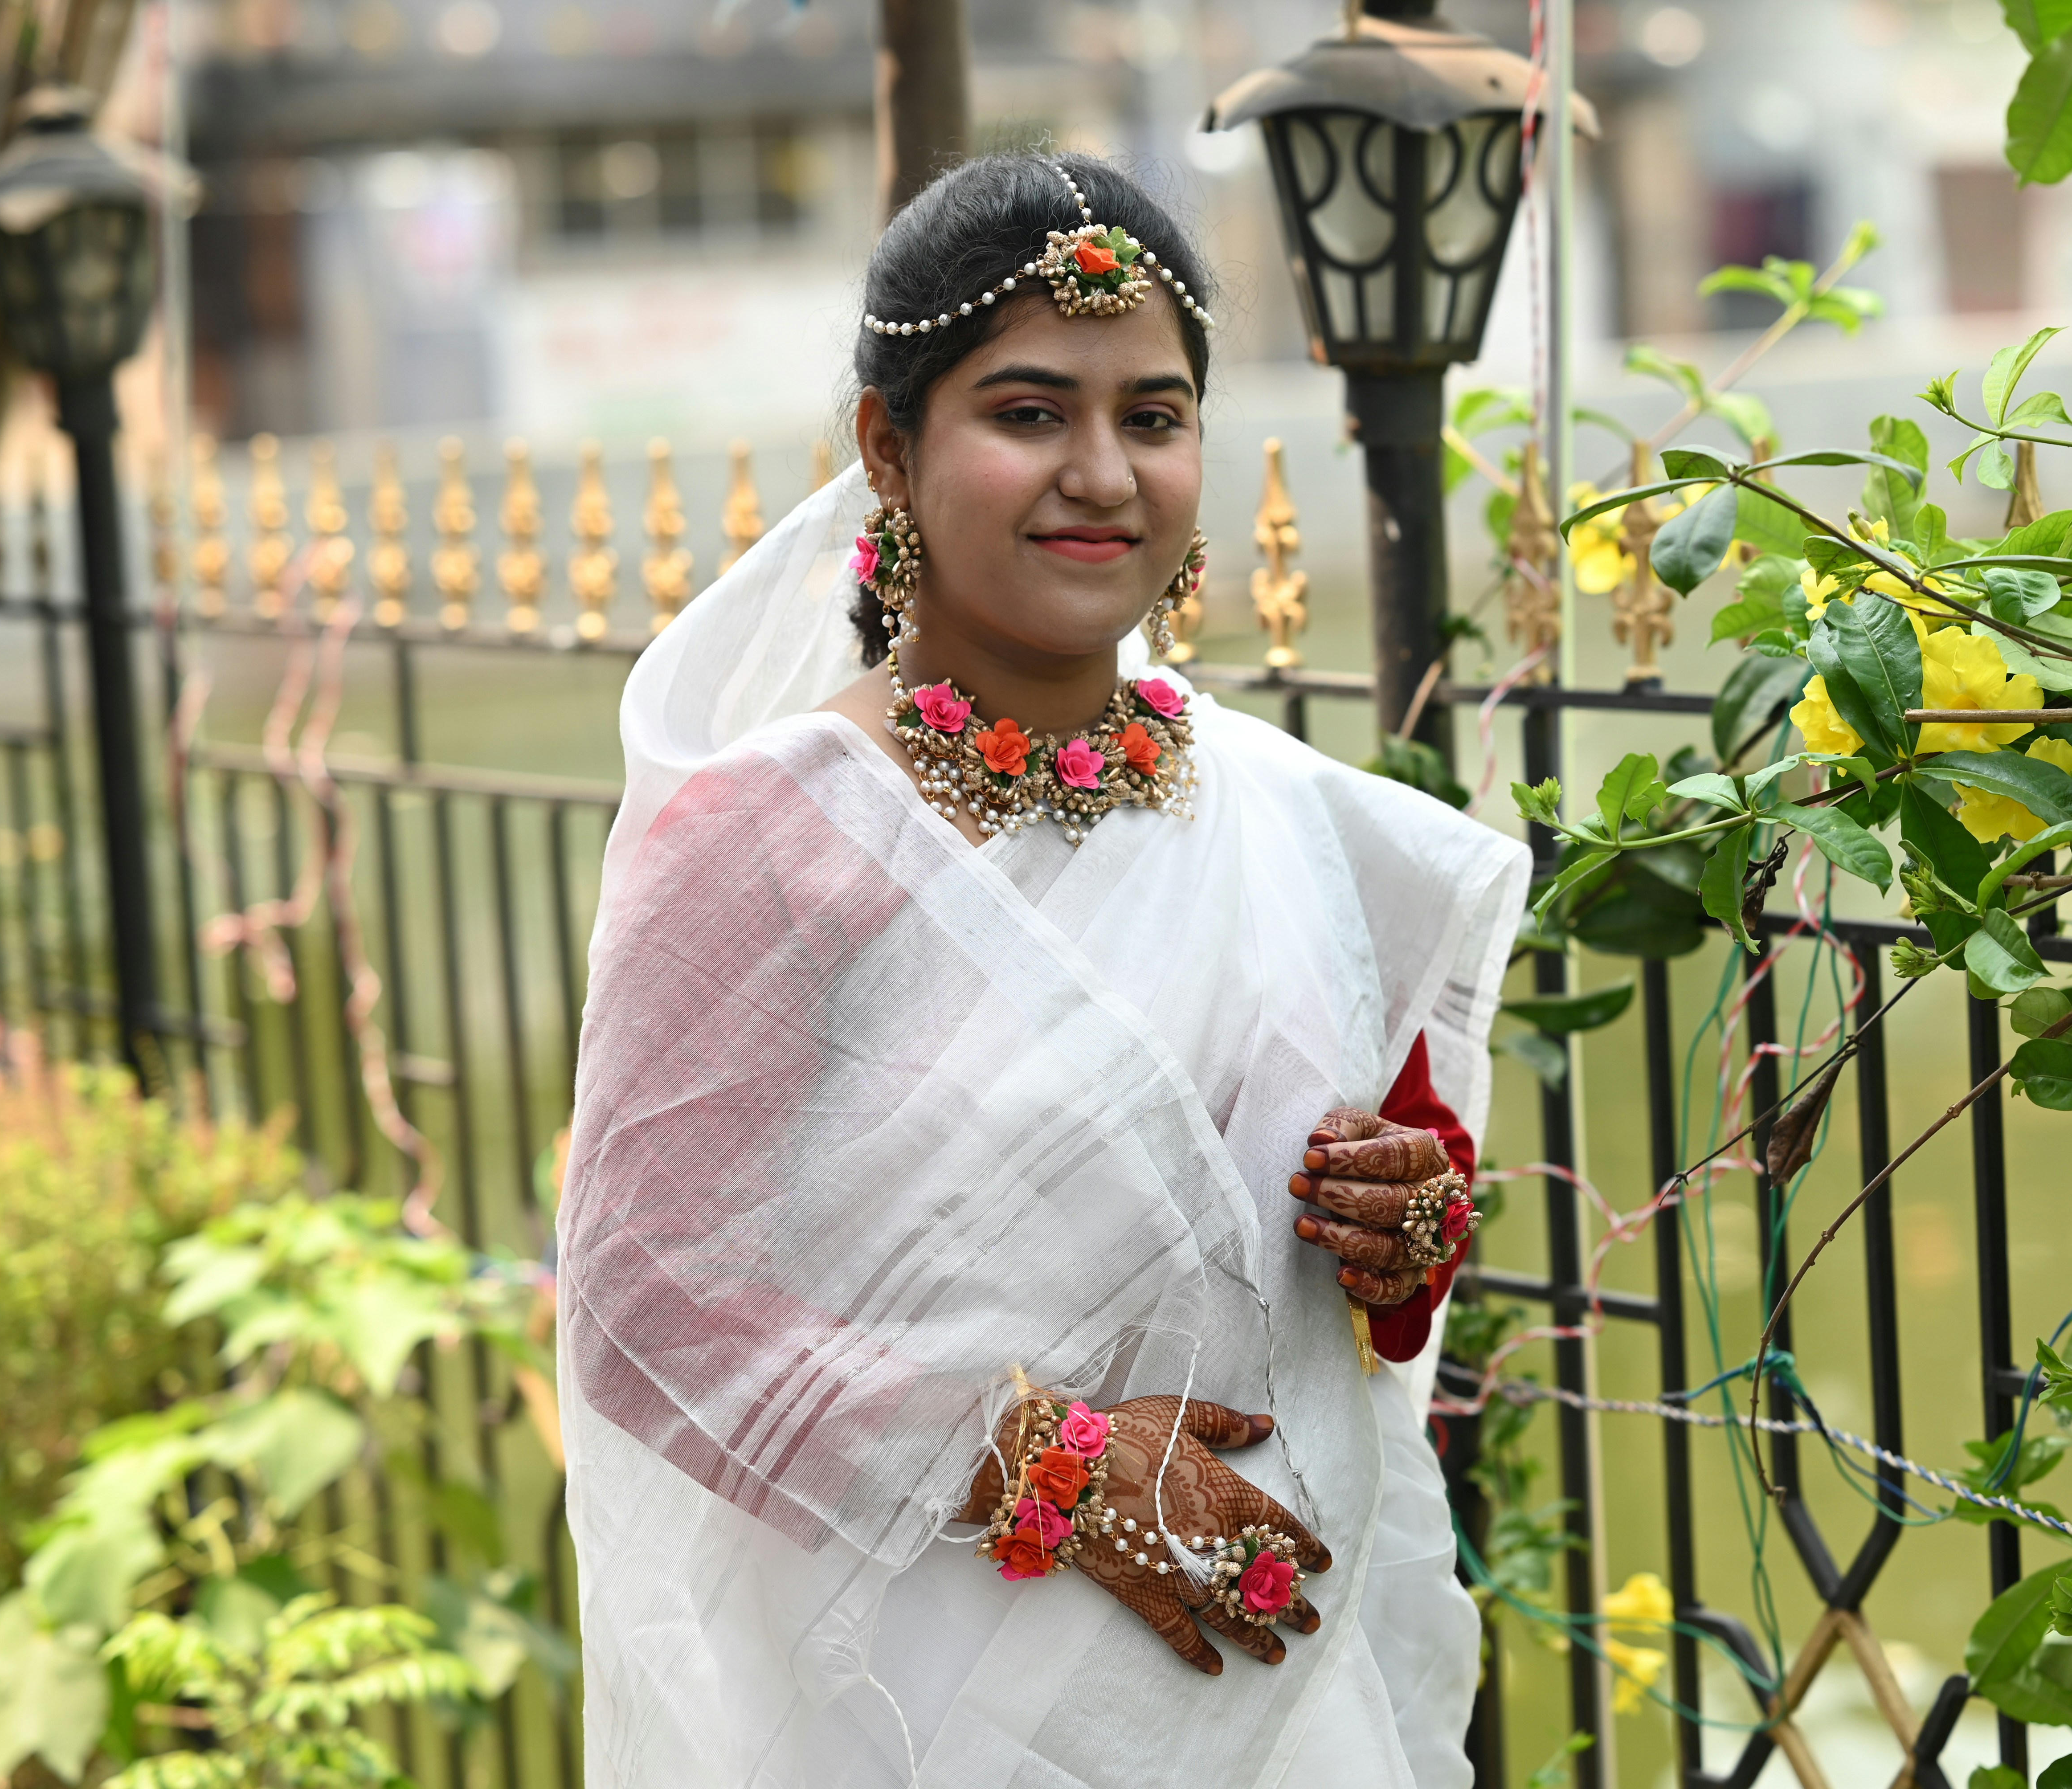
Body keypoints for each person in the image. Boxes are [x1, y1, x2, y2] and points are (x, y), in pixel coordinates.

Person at [557, 151, 1528, 1789]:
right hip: (910, 1674)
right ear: (889, 446)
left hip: (1264, 1672)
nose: (1102, 473)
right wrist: (1048, 1465)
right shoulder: (779, 834)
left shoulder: (1294, 818)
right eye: (1028, 413)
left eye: (1152, 418)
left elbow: (1369, 1270)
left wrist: (1404, 1223)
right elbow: (650, 1302)